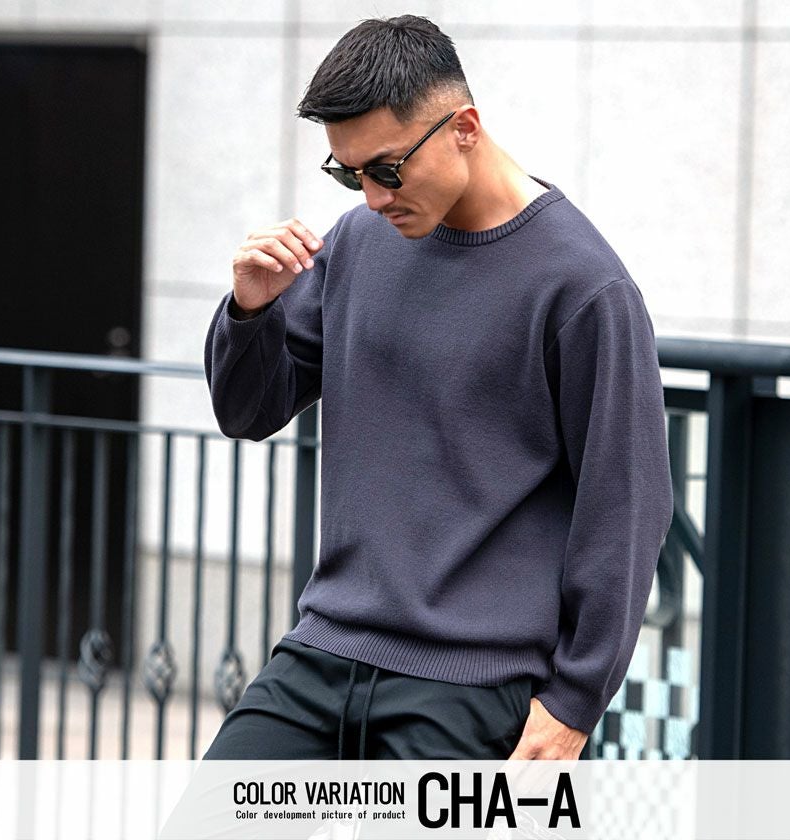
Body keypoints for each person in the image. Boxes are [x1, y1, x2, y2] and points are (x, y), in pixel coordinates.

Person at [202, 15, 673, 761]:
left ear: (464, 129)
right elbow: (248, 412)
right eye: (349, 174)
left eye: (386, 169)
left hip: (472, 688)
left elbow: (626, 504)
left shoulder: (583, 286)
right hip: (322, 653)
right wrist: (249, 312)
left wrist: (574, 704)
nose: (371, 197)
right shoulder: (360, 242)